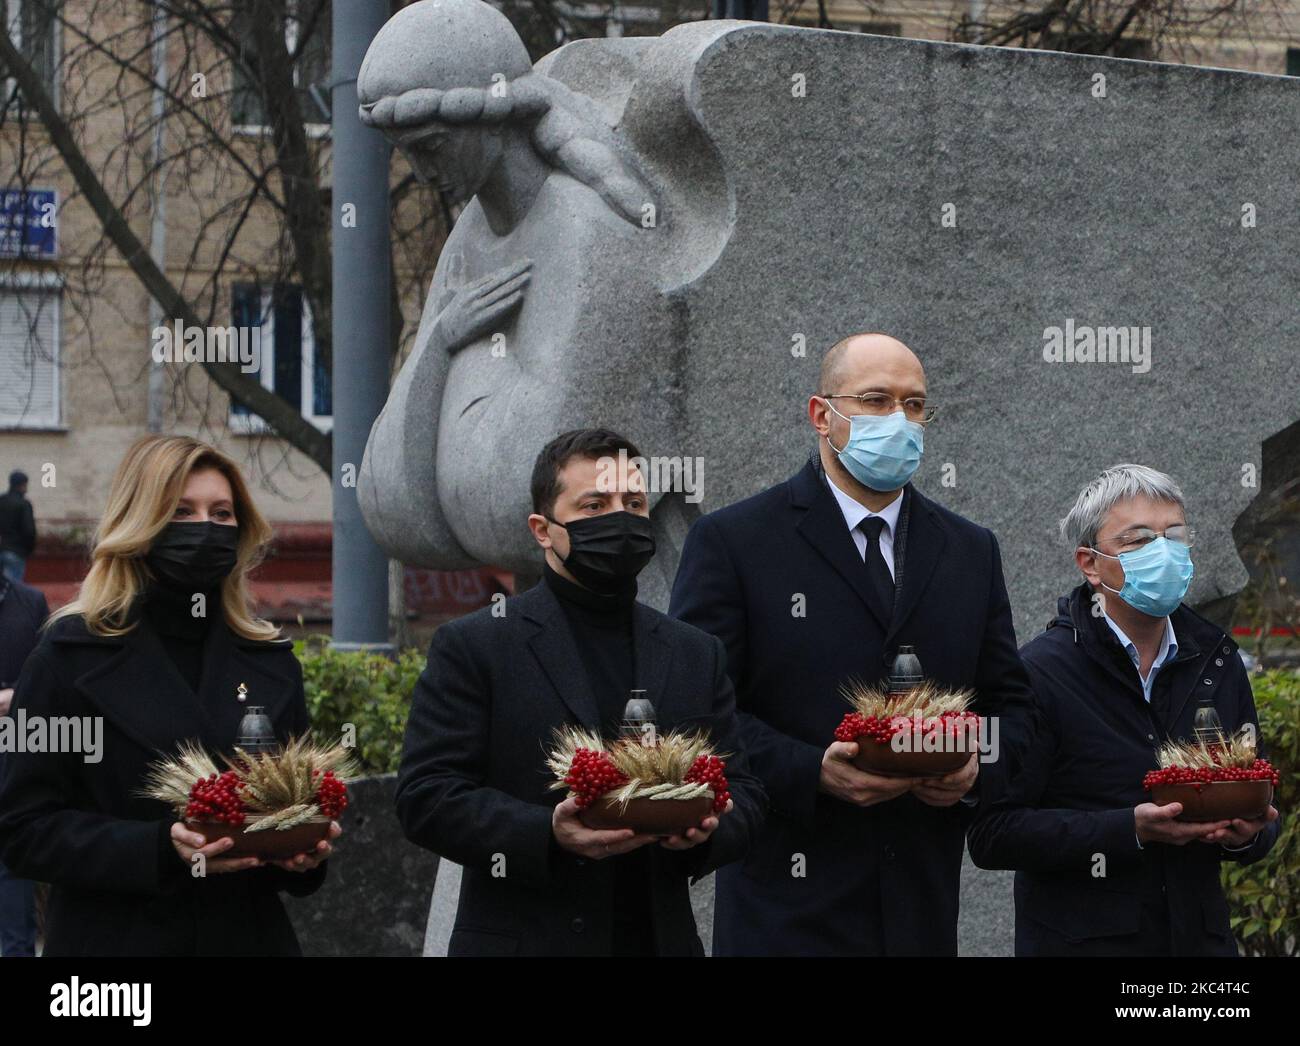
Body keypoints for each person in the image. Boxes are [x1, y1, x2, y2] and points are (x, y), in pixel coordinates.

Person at [670, 332, 1035, 956]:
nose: (899, 420)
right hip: (785, 913)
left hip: (920, 913)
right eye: (876, 400)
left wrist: (975, 770)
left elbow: (1011, 706)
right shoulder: (736, 542)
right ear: (822, 415)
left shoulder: (970, 550)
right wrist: (811, 772)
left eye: (915, 405)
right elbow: (696, 712)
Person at [396, 428, 766, 956]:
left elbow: (746, 792)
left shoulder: (694, 652)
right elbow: (425, 796)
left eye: (633, 503)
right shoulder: (477, 645)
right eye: (595, 504)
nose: (620, 519)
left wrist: (703, 831)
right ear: (543, 529)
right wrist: (547, 831)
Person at [0, 435, 339, 956]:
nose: (205, 529)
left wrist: (300, 855)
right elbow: (22, 830)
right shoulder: (67, 656)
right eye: (181, 512)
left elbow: (289, 805)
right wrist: (160, 848)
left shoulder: (271, 660)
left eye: (222, 513)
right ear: (140, 524)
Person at [968, 464, 1280, 955]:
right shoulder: (1036, 674)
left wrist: (1246, 833)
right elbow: (993, 834)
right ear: (1090, 564)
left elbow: (1257, 802)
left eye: (1174, 537)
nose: (1163, 553)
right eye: (1137, 542)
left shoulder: (1217, 661)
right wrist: (1128, 828)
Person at [0, 573, 47, 956]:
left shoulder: (29, 601)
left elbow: (46, 670)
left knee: (11, 858)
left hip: (14, 742)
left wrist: (17, 695)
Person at [0, 470, 36, 582]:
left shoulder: (1, 501)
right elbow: (29, 531)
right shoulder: (24, 504)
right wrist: (28, 549)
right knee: (12, 590)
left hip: (1, 548)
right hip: (16, 551)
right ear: (23, 485)